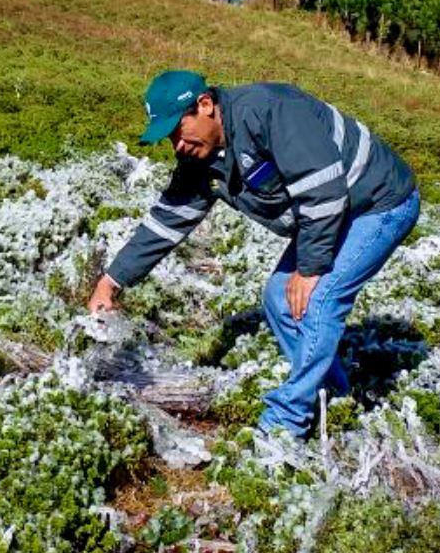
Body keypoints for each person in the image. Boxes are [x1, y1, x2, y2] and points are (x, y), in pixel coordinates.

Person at [88, 70, 420, 438]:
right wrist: (111, 280)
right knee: (279, 298)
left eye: (178, 131)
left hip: (377, 202)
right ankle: (333, 397)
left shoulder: (270, 111)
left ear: (205, 105)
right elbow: (169, 219)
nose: (177, 146)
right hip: (332, 212)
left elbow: (323, 191)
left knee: (320, 300)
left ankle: (285, 426)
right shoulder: (203, 158)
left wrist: (309, 269)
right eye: (169, 139)